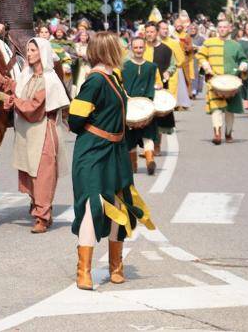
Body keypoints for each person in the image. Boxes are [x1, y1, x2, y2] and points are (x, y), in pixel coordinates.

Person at [68, 32, 154, 290]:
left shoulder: (113, 78)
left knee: (120, 205)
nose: (123, 51)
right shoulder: (94, 81)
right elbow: (74, 121)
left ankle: (116, 266)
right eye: (119, 48)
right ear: (108, 52)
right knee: (93, 205)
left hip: (115, 150)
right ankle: (83, 271)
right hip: (93, 152)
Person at [0, 37, 70, 233]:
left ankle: (42, 217)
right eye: (28, 50)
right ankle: (41, 208)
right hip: (28, 132)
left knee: (43, 175)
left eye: (32, 50)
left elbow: (34, 108)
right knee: (30, 171)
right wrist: (3, 81)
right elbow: (20, 88)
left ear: (42, 54)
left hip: (43, 130)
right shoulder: (27, 74)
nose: (28, 53)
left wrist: (13, 100)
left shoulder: (50, 80)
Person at [197, 19, 248, 144]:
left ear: (230, 29)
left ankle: (228, 133)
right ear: (217, 29)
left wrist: (243, 65)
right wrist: (205, 64)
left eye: (225, 27)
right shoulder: (209, 43)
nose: (222, 29)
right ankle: (217, 134)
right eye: (220, 27)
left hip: (232, 81)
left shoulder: (236, 45)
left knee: (230, 110)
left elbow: (243, 59)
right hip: (214, 80)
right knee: (216, 108)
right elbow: (200, 55)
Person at [121, 37, 162, 175]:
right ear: (131, 48)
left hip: (146, 106)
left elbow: (158, 83)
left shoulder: (152, 67)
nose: (138, 50)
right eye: (136, 47)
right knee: (130, 138)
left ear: (145, 48)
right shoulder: (124, 66)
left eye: (141, 47)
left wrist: (158, 88)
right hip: (130, 106)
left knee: (148, 135)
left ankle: (150, 161)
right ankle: (133, 164)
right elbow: (120, 84)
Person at [142, 23, 177, 137]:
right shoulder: (140, 47)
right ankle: (148, 146)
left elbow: (173, 65)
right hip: (142, 86)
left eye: (152, 32)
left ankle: (156, 145)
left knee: (158, 118)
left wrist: (168, 72)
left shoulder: (166, 49)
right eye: (147, 32)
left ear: (157, 33)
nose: (149, 34)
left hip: (159, 86)